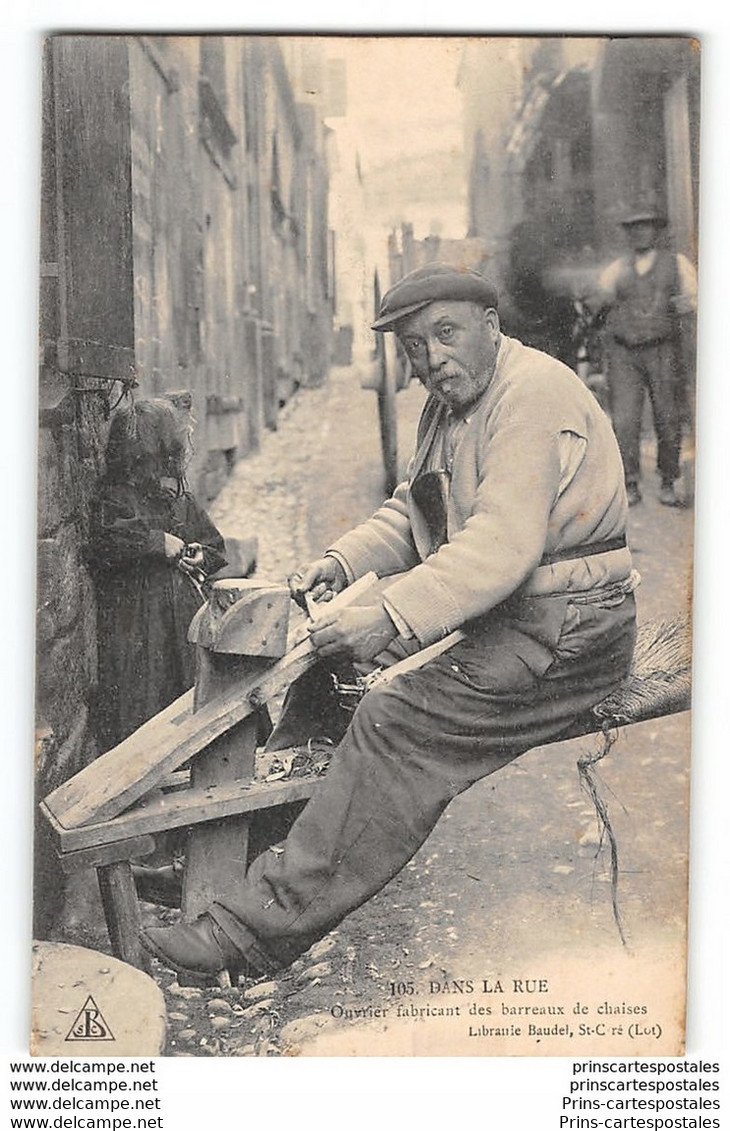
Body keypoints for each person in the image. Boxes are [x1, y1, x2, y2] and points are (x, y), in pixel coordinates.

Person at [141, 263, 638, 985]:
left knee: (393, 717)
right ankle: (239, 863)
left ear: (491, 327)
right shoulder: (449, 406)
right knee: (328, 672)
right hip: (514, 617)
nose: (431, 357)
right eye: (413, 346)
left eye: (445, 334)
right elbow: (414, 512)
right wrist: (339, 564)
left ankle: (251, 931)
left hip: (573, 631)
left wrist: (389, 617)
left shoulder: (533, 394)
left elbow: (501, 545)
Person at [592, 195, 697, 508]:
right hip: (625, 353)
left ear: (656, 231)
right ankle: (630, 483)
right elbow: (599, 301)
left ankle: (668, 480)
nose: (640, 234)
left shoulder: (676, 264)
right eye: (634, 229)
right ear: (628, 234)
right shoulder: (617, 268)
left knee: (667, 415)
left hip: (663, 350)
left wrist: (681, 305)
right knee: (624, 420)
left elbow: (694, 299)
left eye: (646, 228)